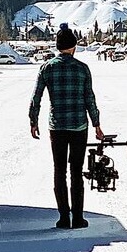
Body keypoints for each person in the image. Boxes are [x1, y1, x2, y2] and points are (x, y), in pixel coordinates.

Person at [29, 23, 103, 229]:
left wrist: (33, 120)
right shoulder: (82, 69)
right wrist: (96, 124)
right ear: (73, 47)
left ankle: (63, 217)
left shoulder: (47, 68)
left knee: (59, 170)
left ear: (57, 46)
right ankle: (78, 218)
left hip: (57, 126)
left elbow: (36, 97)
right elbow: (90, 98)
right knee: (76, 171)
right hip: (79, 126)